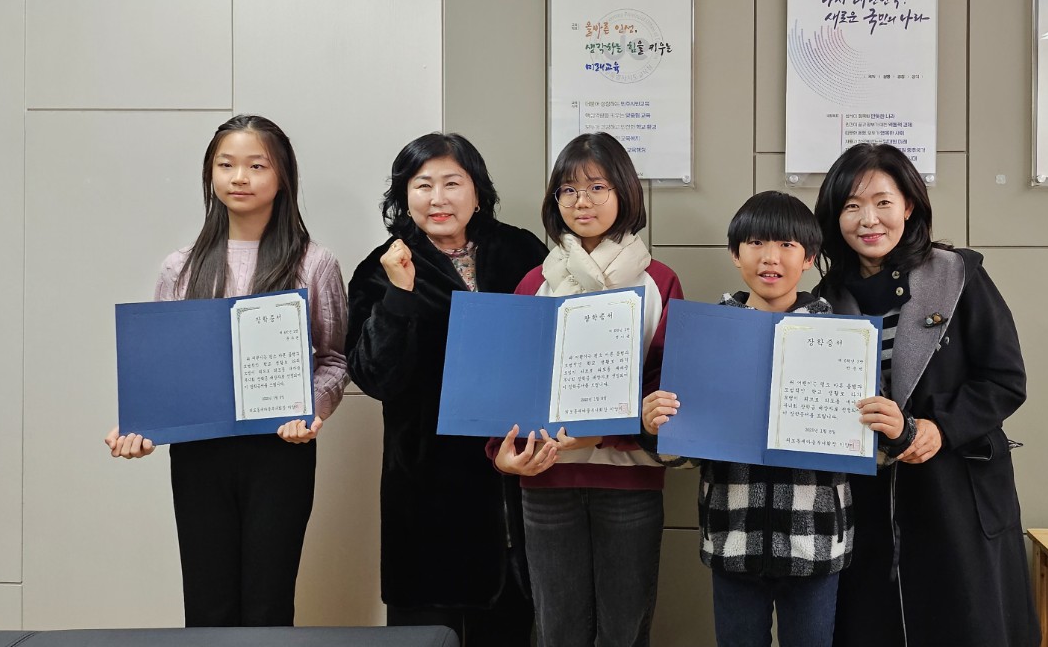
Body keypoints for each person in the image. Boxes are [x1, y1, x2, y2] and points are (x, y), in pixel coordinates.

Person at [104, 114, 349, 627]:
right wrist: (142, 425)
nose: (240, 177)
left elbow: (332, 359)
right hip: (200, 453)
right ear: (210, 176)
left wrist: (313, 411)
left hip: (281, 449)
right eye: (226, 165)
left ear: (282, 177)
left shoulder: (314, 263)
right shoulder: (183, 265)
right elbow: (161, 366)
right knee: (207, 602)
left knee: (269, 602)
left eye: (256, 165)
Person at [642, 191, 893, 647]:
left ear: (811, 257)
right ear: (736, 254)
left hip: (814, 540)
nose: (770, 258)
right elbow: (683, 456)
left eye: (787, 245)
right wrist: (657, 428)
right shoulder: (707, 334)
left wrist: (892, 429)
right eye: (756, 243)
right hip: (733, 535)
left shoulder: (846, 339)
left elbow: (874, 451)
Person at [813, 143, 1040, 647]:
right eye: (851, 206)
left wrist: (939, 426)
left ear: (909, 206)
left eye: (882, 202)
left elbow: (1006, 378)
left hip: (955, 490)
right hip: (866, 500)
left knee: (964, 623)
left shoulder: (958, 276)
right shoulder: (826, 298)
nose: (868, 219)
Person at [346, 132, 547, 645]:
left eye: (452, 183)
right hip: (426, 484)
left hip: (514, 475)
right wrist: (400, 294)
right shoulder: (382, 267)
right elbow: (373, 377)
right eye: (423, 184)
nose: (438, 198)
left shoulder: (522, 252)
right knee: (426, 630)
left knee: (510, 622)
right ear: (403, 195)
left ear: (477, 191)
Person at [487, 131, 684, 647]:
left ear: (624, 193)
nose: (582, 201)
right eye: (568, 191)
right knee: (557, 627)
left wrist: (605, 435)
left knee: (625, 627)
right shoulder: (536, 282)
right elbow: (509, 382)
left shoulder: (657, 281)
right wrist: (502, 455)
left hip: (629, 482)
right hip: (546, 480)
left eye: (597, 187)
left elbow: (667, 385)